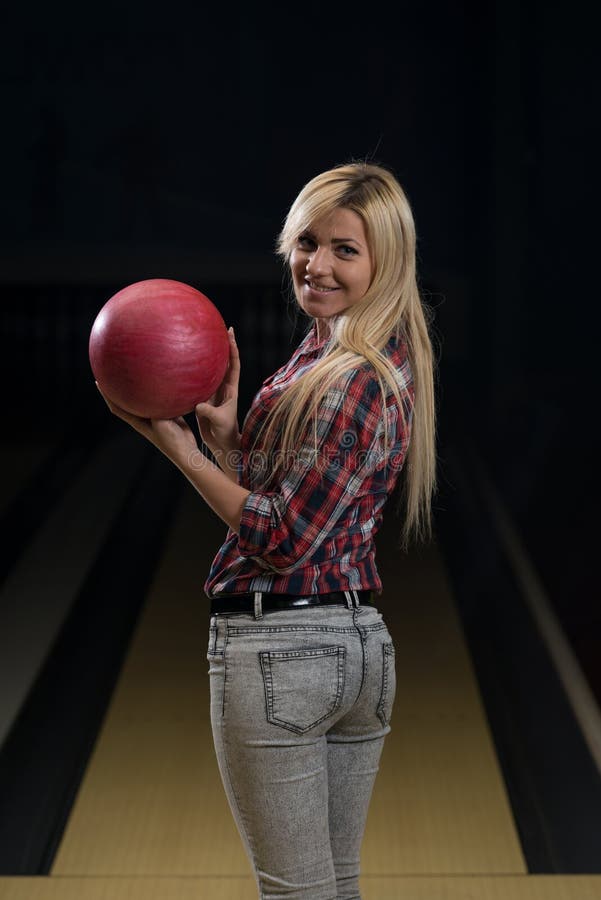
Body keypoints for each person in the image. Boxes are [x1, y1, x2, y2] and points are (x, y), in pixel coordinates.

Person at [97, 161, 437, 899]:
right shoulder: (339, 356)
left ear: (385, 261)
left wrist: (182, 453)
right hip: (356, 648)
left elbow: (280, 540)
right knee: (332, 889)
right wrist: (226, 445)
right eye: (307, 242)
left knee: (298, 893)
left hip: (284, 654)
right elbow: (297, 501)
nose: (317, 265)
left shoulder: (351, 377)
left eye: (345, 249)